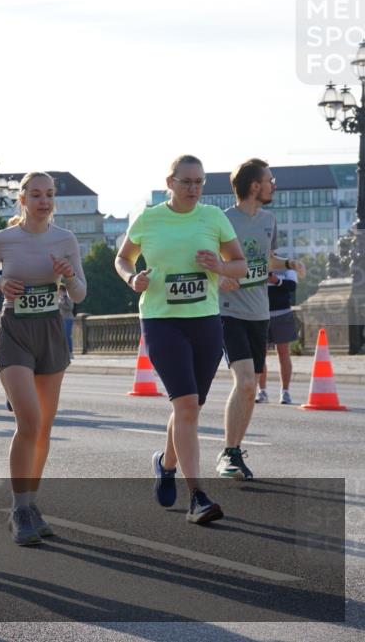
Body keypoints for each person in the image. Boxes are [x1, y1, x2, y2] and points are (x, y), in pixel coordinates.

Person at [115, 154, 246, 525]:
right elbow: (123, 258)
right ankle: (198, 497)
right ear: (170, 182)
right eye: (186, 181)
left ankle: (166, 463)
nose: (194, 188)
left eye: (199, 182)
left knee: (189, 407)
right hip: (161, 321)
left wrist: (220, 267)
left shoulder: (214, 217)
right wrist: (132, 278)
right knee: (186, 404)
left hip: (204, 321)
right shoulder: (150, 218)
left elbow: (240, 264)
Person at [0, 172, 87, 545]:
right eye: (36, 194)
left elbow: (81, 294)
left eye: (49, 194)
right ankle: (20, 509)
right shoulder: (4, 239)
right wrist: (0, 283)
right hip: (15, 332)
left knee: (43, 427)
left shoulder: (65, 239)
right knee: (29, 419)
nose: (44, 201)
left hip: (51, 332)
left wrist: (69, 277)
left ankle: (31, 502)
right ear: (21, 199)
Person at [216, 159, 305, 481]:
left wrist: (288, 262)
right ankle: (229, 453)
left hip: (259, 312)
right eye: (270, 180)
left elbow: (265, 258)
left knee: (249, 389)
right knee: (247, 381)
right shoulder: (222, 220)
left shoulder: (269, 220)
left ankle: (234, 451)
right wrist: (218, 279)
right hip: (228, 311)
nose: (274, 184)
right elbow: (205, 260)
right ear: (255, 185)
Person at [259, 267, 299, 404]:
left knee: (283, 353)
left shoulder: (287, 265)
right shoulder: (258, 262)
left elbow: (292, 286)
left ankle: (285, 392)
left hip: (282, 314)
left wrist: (277, 281)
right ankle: (262, 391)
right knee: (260, 354)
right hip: (260, 315)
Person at [58, 284, 75, 356]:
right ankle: (64, 352)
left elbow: (70, 307)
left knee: (67, 335)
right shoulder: (60, 298)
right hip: (61, 319)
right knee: (62, 336)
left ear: (62, 290)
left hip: (68, 318)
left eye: (59, 291)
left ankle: (70, 352)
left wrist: (61, 304)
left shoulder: (67, 297)